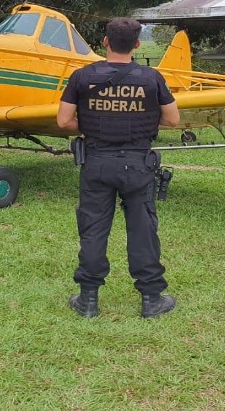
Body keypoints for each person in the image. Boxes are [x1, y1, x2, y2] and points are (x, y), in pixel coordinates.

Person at [56, 17, 181, 318]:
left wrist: (89, 127)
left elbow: (63, 121)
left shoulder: (82, 76)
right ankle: (151, 299)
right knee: (143, 230)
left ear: (105, 42)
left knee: (93, 229)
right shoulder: (152, 78)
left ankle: (88, 300)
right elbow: (173, 119)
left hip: (96, 162)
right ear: (137, 44)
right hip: (137, 164)